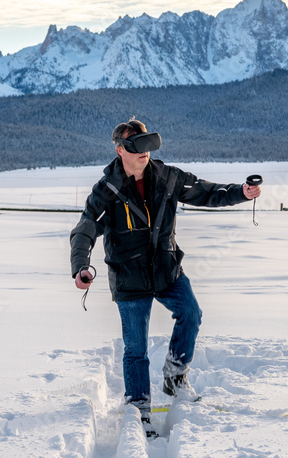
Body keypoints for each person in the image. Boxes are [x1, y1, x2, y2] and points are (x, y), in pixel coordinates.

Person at [69, 118, 260, 433]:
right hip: (129, 277)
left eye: (146, 144)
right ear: (120, 150)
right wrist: (81, 266)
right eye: (135, 146)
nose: (143, 152)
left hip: (166, 270)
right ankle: (139, 407)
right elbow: (86, 228)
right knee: (136, 350)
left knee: (191, 313)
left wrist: (241, 191)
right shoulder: (108, 190)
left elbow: (207, 193)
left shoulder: (168, 178)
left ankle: (174, 375)